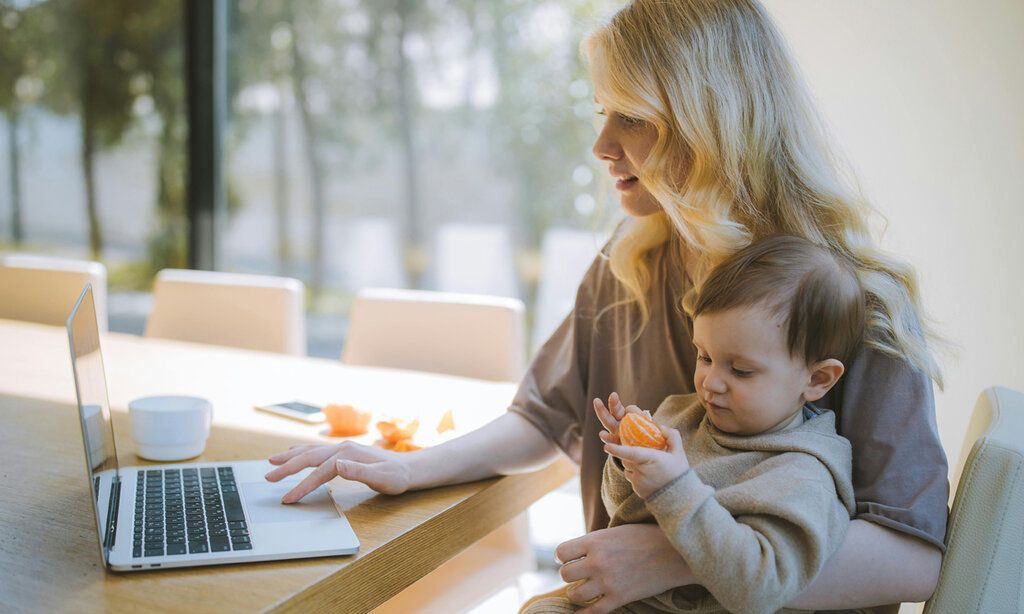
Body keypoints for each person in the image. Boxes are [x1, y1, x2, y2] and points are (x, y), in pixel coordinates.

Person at [265, 1, 949, 611]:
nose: (601, 147)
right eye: (601, 113)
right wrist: (411, 467)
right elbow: (545, 416)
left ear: (711, 123)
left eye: (634, 119)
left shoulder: (855, 300)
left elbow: (913, 554)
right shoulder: (630, 261)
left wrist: (673, 558)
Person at [522, 235, 863, 614]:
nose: (710, 383)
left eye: (741, 370)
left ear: (817, 380)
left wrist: (674, 488)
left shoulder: (804, 473)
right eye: (704, 356)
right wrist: (630, 464)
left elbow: (761, 588)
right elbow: (622, 512)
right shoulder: (683, 416)